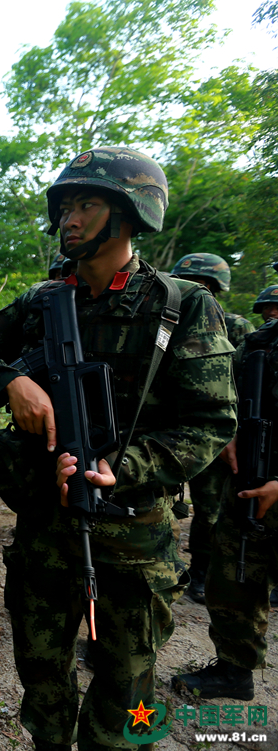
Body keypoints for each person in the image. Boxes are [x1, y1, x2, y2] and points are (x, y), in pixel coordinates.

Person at [0, 147, 236, 751]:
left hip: (131, 540)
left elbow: (210, 421)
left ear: (128, 215)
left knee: (129, 696)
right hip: (46, 533)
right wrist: (11, 381)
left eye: (87, 204)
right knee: (42, 680)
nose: (69, 219)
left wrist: (121, 467)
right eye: (66, 206)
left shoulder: (181, 306)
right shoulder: (44, 301)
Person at [171, 315, 277, 702]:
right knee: (234, 581)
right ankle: (235, 671)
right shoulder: (260, 342)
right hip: (249, 482)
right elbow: (221, 394)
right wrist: (228, 431)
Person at [169, 253, 256, 603]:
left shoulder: (235, 326)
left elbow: (243, 384)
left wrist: (231, 430)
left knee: (209, 508)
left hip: (212, 432)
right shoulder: (164, 315)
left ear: (217, 289)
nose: (197, 289)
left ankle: (202, 571)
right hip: (168, 428)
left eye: (205, 285)